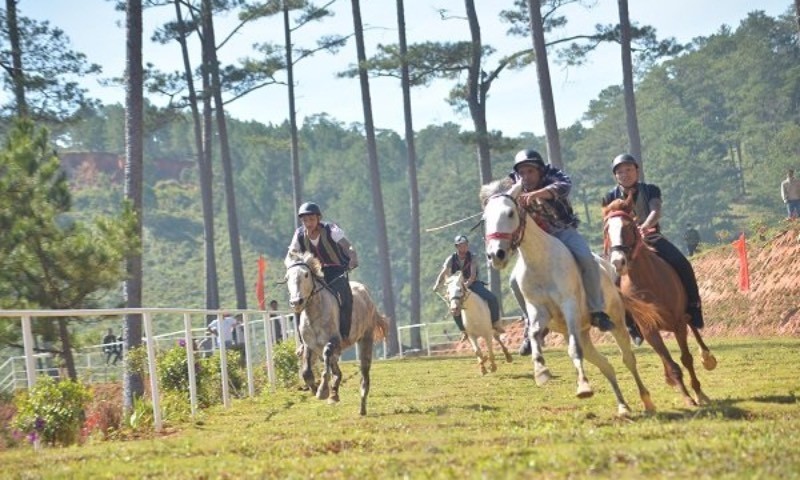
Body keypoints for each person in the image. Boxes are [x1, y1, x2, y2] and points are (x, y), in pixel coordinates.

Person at [511, 149, 619, 356]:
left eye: (530, 172)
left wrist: (536, 194)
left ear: (540, 171)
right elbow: (500, 198)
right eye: (522, 173)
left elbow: (563, 186)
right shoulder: (513, 184)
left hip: (562, 231)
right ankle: (531, 326)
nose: (526, 177)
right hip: (535, 242)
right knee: (514, 281)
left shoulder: (554, 175)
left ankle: (596, 311)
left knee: (586, 259)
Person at [602, 153, 705, 329]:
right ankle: (629, 321)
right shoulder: (609, 197)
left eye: (629, 169)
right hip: (624, 246)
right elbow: (608, 223)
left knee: (681, 262)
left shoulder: (651, 190)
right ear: (615, 176)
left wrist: (645, 226)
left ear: (637, 171)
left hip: (651, 237)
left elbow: (655, 211)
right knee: (610, 279)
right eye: (620, 171)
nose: (625, 174)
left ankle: (694, 306)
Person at [285, 201, 359, 341]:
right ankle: (302, 340)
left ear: (318, 218)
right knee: (297, 298)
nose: (308, 223)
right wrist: (292, 267)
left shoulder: (331, 229)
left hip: (335, 270)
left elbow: (347, 246)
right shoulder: (299, 234)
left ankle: (344, 334)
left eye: (311, 219)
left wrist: (353, 258)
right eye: (305, 220)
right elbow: (291, 254)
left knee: (345, 296)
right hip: (314, 272)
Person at [433, 234, 502, 342]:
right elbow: (444, 272)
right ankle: (463, 331)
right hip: (457, 286)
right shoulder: (451, 258)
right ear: (457, 246)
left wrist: (466, 284)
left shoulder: (472, 256)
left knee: (492, 298)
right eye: (461, 245)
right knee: (454, 307)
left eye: (465, 245)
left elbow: (473, 275)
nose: (464, 247)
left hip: (473, 284)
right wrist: (437, 284)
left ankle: (495, 323)